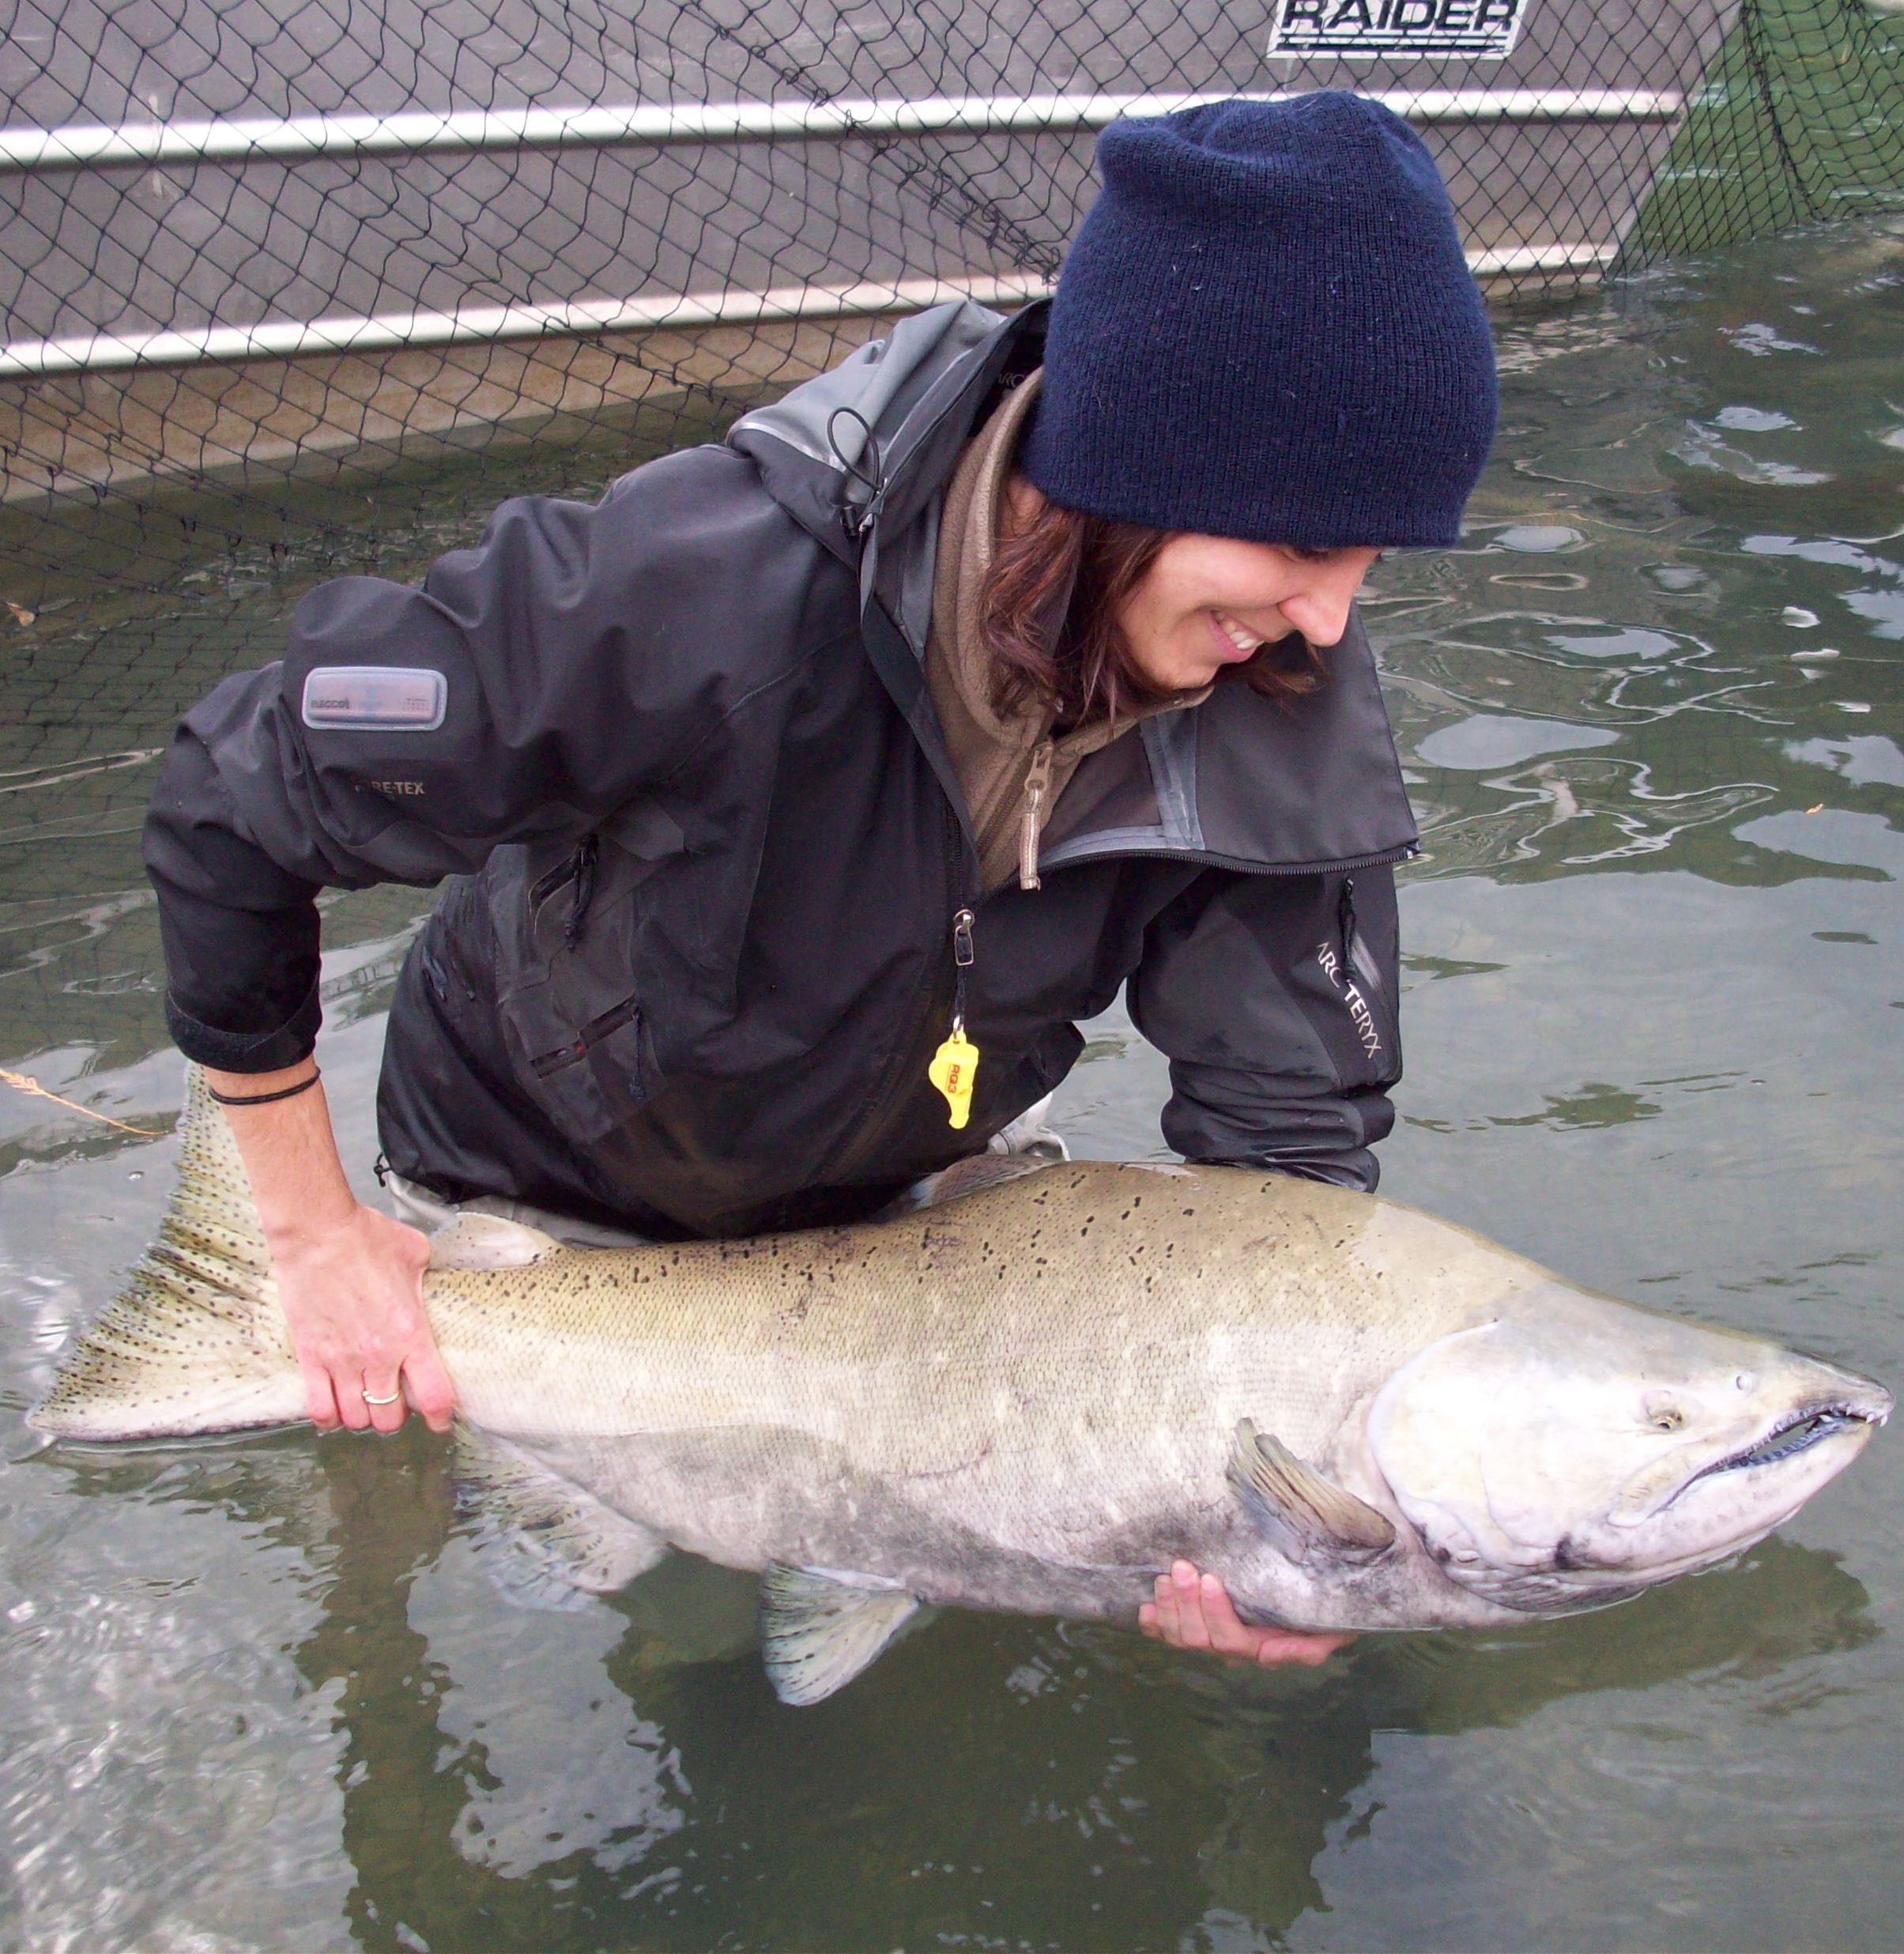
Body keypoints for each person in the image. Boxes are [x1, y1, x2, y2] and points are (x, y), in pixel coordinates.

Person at [142, 92, 1497, 1666]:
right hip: (548, 1175)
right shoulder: (700, 589)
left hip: (902, 1191)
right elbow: (234, 797)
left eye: (1373, 560)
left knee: (899, 1631)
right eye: (1305, 548)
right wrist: (306, 1234)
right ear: (1127, 470)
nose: (1330, 620)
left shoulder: (1280, 683)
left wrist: (1296, 1514)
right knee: (649, 1634)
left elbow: (1285, 1154)